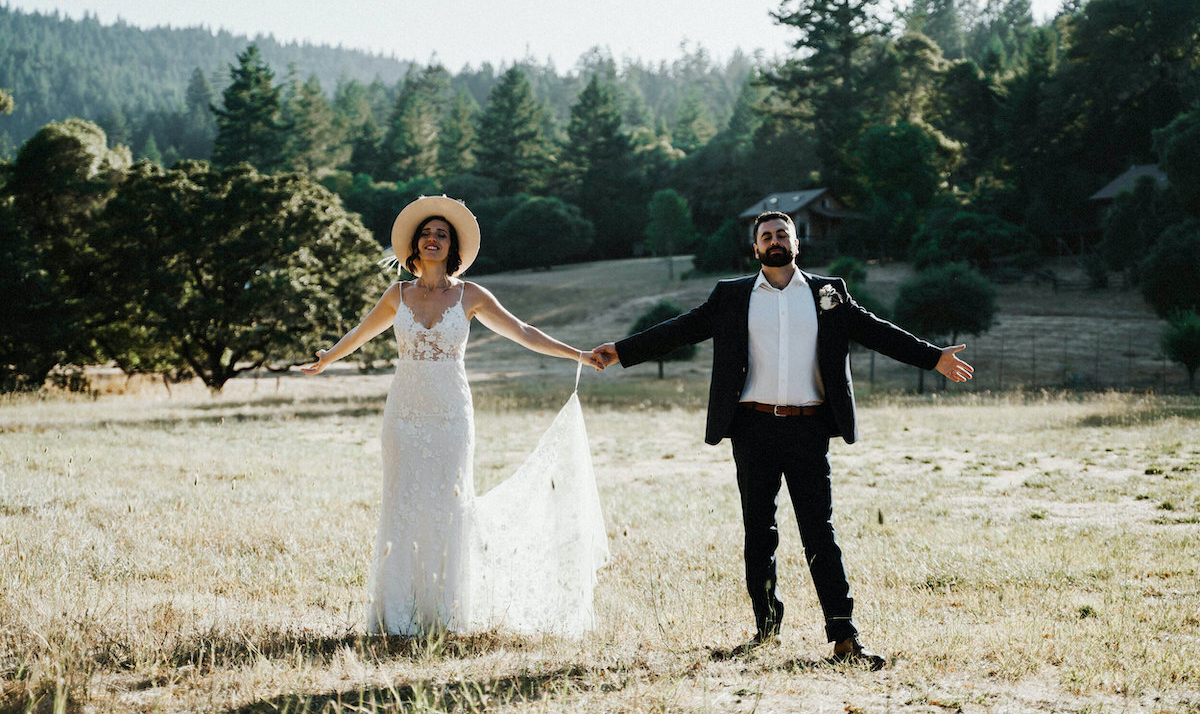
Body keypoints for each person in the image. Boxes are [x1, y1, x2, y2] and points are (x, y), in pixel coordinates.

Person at [592, 211, 973, 668]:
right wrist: (623, 350)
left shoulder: (828, 293)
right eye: (766, 236)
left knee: (820, 532)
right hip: (752, 428)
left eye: (782, 234)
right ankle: (766, 628)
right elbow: (682, 329)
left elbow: (875, 331)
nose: (775, 241)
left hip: (809, 428)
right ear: (755, 249)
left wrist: (933, 358)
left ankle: (844, 635)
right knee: (760, 531)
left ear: (797, 243)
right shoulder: (731, 296)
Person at [302, 195, 609, 636]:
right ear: (414, 244)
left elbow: (522, 331)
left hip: (451, 414)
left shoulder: (471, 295)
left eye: (441, 235)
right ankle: (400, 613)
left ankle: (446, 612)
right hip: (403, 414)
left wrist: (577, 353)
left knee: (448, 506)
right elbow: (361, 332)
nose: (433, 239)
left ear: (453, 247)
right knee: (402, 504)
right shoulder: (398, 294)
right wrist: (327, 358)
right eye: (426, 233)